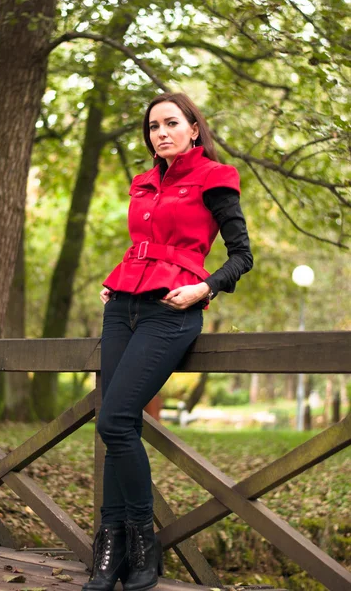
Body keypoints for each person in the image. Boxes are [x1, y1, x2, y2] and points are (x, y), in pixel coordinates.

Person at [82, 92, 253, 591]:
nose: (161, 132)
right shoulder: (143, 183)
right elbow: (145, 242)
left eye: (171, 123)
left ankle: (141, 541)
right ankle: (110, 547)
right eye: (154, 126)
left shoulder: (215, 177)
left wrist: (206, 286)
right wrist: (121, 278)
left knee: (114, 421)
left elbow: (241, 255)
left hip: (172, 312)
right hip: (122, 308)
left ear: (193, 129)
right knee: (116, 424)